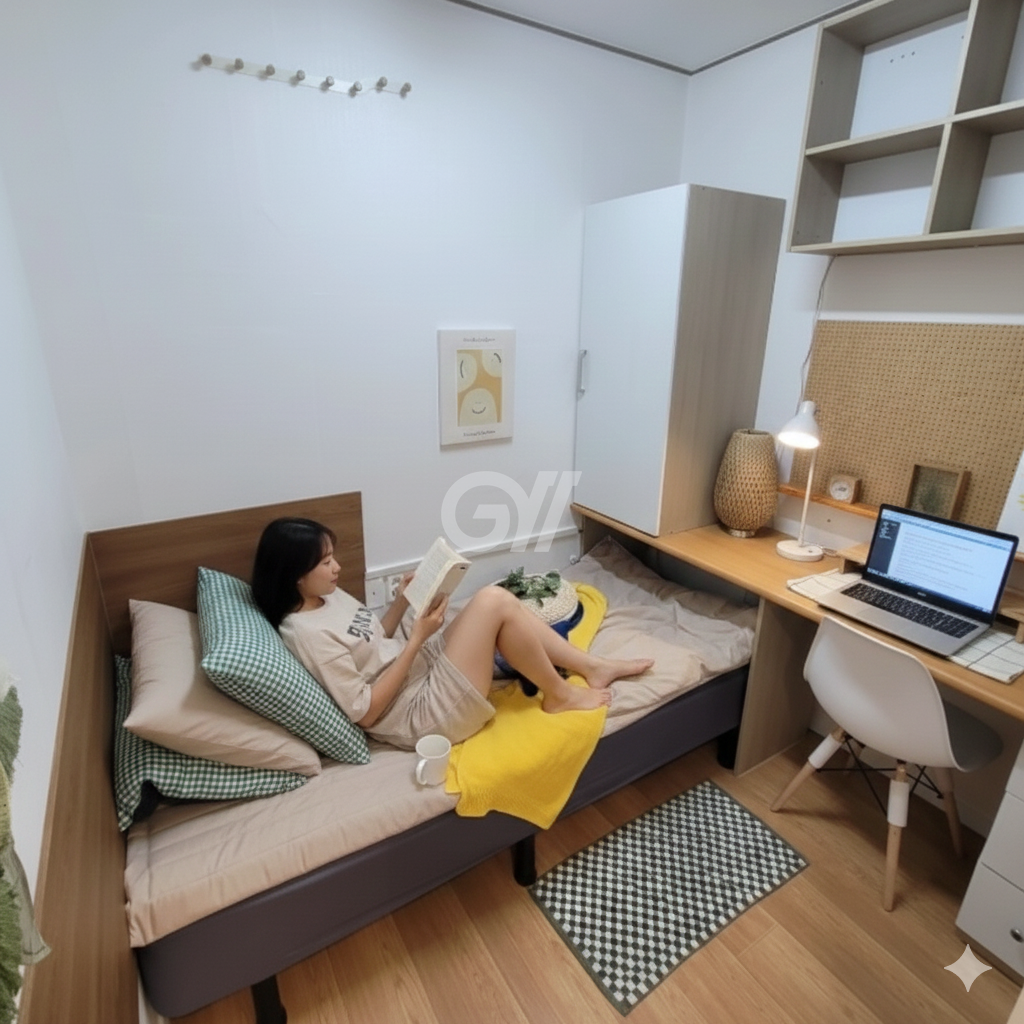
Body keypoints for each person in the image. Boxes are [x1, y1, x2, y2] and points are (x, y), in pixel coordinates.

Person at [251, 517, 653, 751]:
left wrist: (403, 602)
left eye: (333, 557)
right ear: (296, 575)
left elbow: (375, 640)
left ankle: (591, 667)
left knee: (499, 604)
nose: (337, 567)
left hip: (418, 670)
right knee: (493, 601)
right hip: (416, 711)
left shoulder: (325, 594)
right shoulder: (306, 634)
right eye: (325, 562)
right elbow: (367, 712)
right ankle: (560, 695)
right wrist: (416, 640)